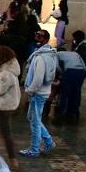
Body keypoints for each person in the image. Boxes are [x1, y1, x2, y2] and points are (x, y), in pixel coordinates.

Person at [20, 29, 57, 158]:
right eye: (36, 35)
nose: (37, 39)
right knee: (32, 118)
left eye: (40, 37)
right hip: (41, 92)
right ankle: (48, 141)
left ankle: (35, 149)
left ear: (46, 39)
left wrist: (29, 90)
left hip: (38, 93)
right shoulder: (49, 54)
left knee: (35, 122)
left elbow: (38, 78)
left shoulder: (41, 57)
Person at [53, 41, 86, 122]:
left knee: (65, 94)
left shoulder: (57, 54)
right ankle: (73, 114)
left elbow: (56, 67)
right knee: (76, 93)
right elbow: (84, 66)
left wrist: (62, 74)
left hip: (70, 71)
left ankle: (60, 115)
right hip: (81, 72)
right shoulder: (75, 53)